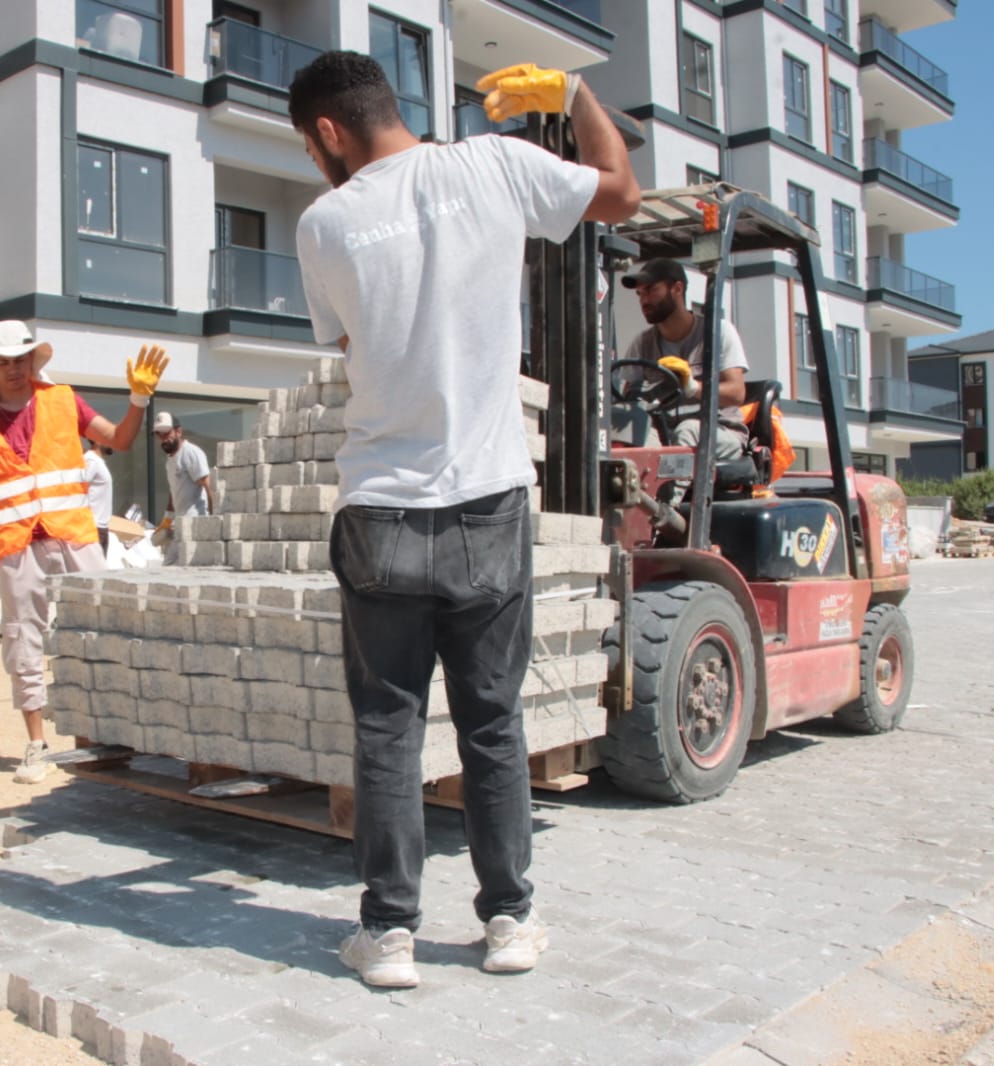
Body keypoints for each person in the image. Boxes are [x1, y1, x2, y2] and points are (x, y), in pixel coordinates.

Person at [288, 52, 639, 987]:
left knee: (387, 727)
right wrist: (574, 96)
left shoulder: (323, 224)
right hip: (487, 498)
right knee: (490, 724)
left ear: (328, 131)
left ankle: (388, 935)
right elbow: (619, 192)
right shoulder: (495, 163)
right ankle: (509, 922)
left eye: (309, 146)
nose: (314, 161)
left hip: (380, 506)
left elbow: (353, 342)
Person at [0, 320, 168, 784]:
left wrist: (138, 399)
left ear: (32, 360)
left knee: (101, 626)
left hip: (73, 536)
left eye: (21, 359)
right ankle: (36, 744)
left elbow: (120, 440)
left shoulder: (63, 400)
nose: (14, 369)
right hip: (17, 544)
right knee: (22, 637)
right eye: (4, 362)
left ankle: (108, 733)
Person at [619, 257, 750, 459]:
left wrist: (693, 387)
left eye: (651, 290)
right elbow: (629, 399)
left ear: (677, 289)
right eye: (640, 293)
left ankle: (670, 480)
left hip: (719, 430)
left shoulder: (717, 332)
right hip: (665, 430)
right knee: (632, 430)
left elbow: (737, 393)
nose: (644, 301)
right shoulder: (642, 344)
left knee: (687, 431)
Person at [151, 411, 213, 566]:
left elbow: (208, 486)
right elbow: (173, 491)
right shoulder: (170, 459)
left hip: (195, 521)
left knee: (171, 565)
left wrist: (212, 522)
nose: (163, 438)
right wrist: (167, 519)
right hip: (181, 522)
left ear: (178, 432)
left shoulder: (190, 453)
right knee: (173, 566)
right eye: (159, 434)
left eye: (167, 433)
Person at [82, 440, 115, 556]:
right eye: (107, 439)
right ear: (97, 440)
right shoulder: (91, 461)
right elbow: (78, 489)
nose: (113, 442)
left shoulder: (97, 461)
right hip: (93, 529)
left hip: (100, 528)